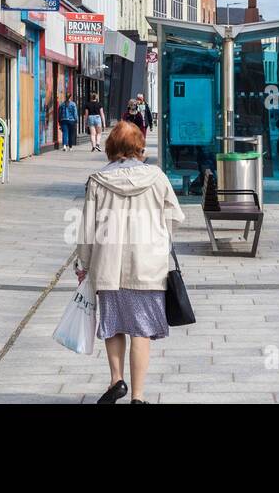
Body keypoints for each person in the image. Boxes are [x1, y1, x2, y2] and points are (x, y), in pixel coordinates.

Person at [75, 121, 184, 404]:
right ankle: (138, 396)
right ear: (139, 146)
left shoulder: (98, 180)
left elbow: (87, 228)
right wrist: (159, 240)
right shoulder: (157, 177)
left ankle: (116, 380)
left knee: (113, 326)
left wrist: (83, 266)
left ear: (111, 146)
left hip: (108, 266)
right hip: (147, 267)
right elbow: (174, 217)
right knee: (141, 331)